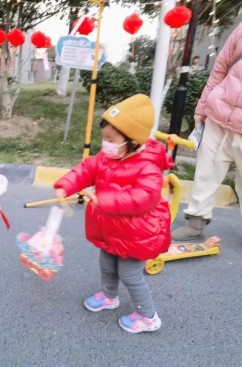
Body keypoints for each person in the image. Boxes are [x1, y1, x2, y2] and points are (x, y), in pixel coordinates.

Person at [54, 94, 172, 334]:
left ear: (134, 141)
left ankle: (148, 316)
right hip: (111, 228)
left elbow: (144, 197)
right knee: (107, 264)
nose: (105, 144)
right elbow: (85, 169)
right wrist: (66, 184)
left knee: (130, 274)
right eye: (104, 139)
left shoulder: (148, 165)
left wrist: (103, 199)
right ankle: (109, 297)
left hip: (137, 232)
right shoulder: (108, 157)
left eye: (111, 139)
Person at [172, 23, 242, 241]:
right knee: (206, 170)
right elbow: (220, 67)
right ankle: (196, 222)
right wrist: (202, 108)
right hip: (218, 115)